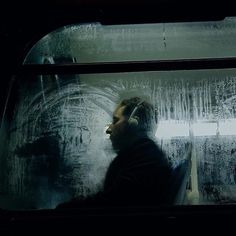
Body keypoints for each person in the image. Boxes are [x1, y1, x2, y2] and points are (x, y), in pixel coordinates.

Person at [57, 97, 172, 208]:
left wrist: (66, 209)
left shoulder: (146, 158)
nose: (109, 129)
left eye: (116, 120)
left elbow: (113, 201)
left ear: (133, 124)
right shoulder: (141, 154)